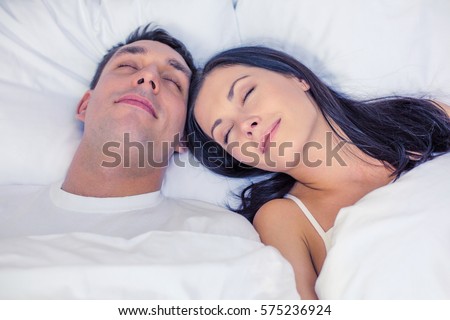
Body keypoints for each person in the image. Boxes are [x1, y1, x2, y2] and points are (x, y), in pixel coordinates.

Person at [186, 46, 450, 299]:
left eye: (247, 94)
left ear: (295, 77)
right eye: (228, 133)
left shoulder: (420, 118)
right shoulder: (284, 220)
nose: (246, 125)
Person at [0, 24, 258, 241]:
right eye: (127, 66)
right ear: (85, 105)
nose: (147, 77)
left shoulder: (219, 237)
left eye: (172, 81)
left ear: (183, 138)